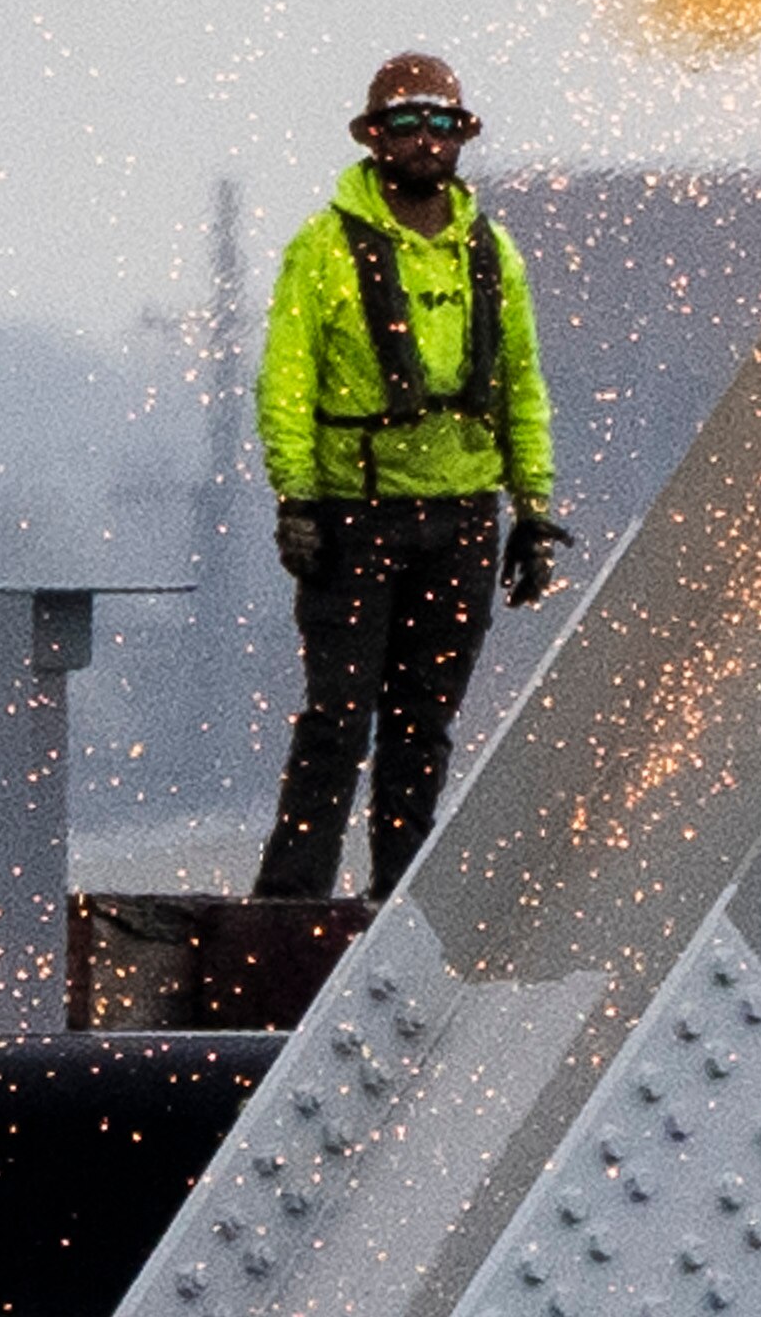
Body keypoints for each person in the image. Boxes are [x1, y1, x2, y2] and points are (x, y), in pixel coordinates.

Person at [251, 53, 569, 901]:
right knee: (337, 720)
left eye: (440, 124)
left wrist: (532, 510)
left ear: (461, 137)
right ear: (372, 136)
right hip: (355, 517)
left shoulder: (491, 251)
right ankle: (291, 905)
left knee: (424, 725)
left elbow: (522, 383)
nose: (424, 140)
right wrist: (298, 499)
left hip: (462, 521)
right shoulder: (321, 250)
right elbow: (286, 381)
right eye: (405, 124)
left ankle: (402, 901)